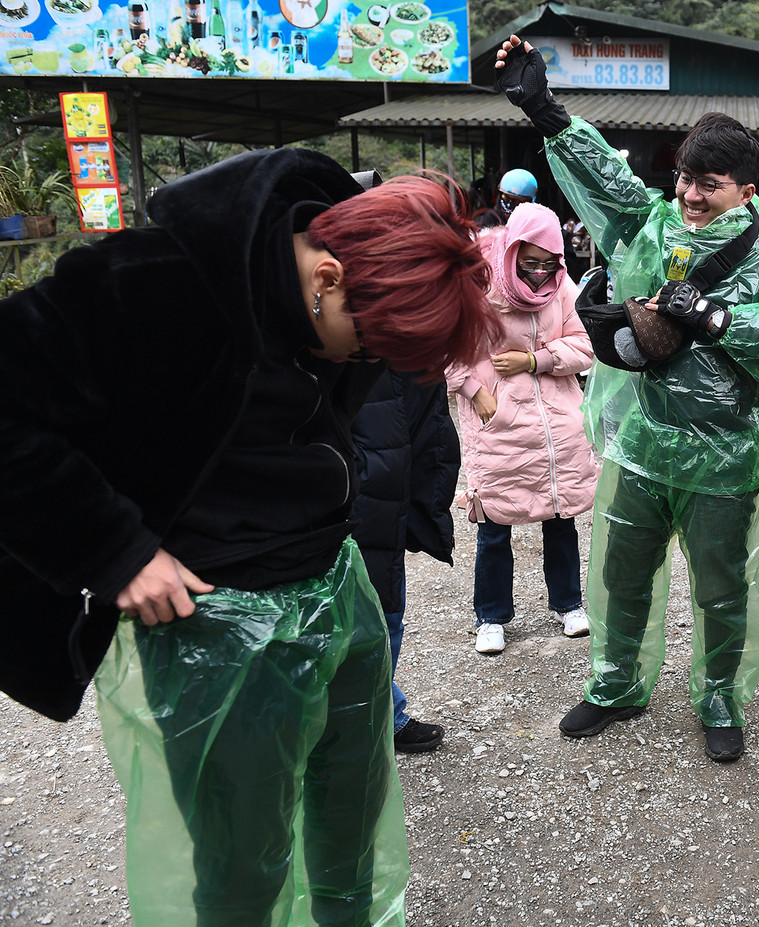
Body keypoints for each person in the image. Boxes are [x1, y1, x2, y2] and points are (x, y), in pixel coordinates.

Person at [0, 149, 492, 926]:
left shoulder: (341, 302)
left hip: (334, 584)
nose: (365, 364)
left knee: (352, 815)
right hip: (217, 622)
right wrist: (115, 549)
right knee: (242, 863)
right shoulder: (156, 284)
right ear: (326, 277)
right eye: (369, 348)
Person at [494, 36, 759, 763]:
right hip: (641, 447)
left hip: (723, 459)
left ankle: (720, 699)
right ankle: (616, 685)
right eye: (685, 178)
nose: (691, 195)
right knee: (620, 574)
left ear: (746, 191)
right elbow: (606, 178)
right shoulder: (650, 225)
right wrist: (548, 114)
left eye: (710, 184)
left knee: (722, 589)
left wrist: (719, 318)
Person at [446, 201, 597, 655]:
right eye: (530, 263)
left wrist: (535, 360)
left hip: (556, 427)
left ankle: (568, 604)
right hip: (500, 423)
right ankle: (491, 616)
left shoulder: (561, 287)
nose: (539, 273)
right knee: (495, 522)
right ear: (512, 251)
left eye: (548, 264)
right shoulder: (478, 285)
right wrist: (475, 391)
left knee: (560, 516)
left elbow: (584, 346)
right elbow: (447, 347)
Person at [350, 369, 459, 754]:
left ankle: (382, 715)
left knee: (383, 619)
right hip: (336, 496)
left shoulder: (405, 348)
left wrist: (425, 510)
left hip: (382, 502)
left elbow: (430, 426)